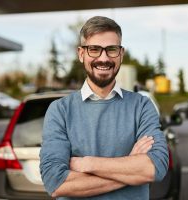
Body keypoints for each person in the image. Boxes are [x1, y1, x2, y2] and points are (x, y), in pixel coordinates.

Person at [40, 16, 168, 200]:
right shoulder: (60, 111)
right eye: (94, 49)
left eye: (111, 50)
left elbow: (155, 168)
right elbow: (56, 183)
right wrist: (131, 168)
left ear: (121, 54)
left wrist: (88, 163)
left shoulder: (141, 106)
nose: (104, 58)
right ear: (81, 53)